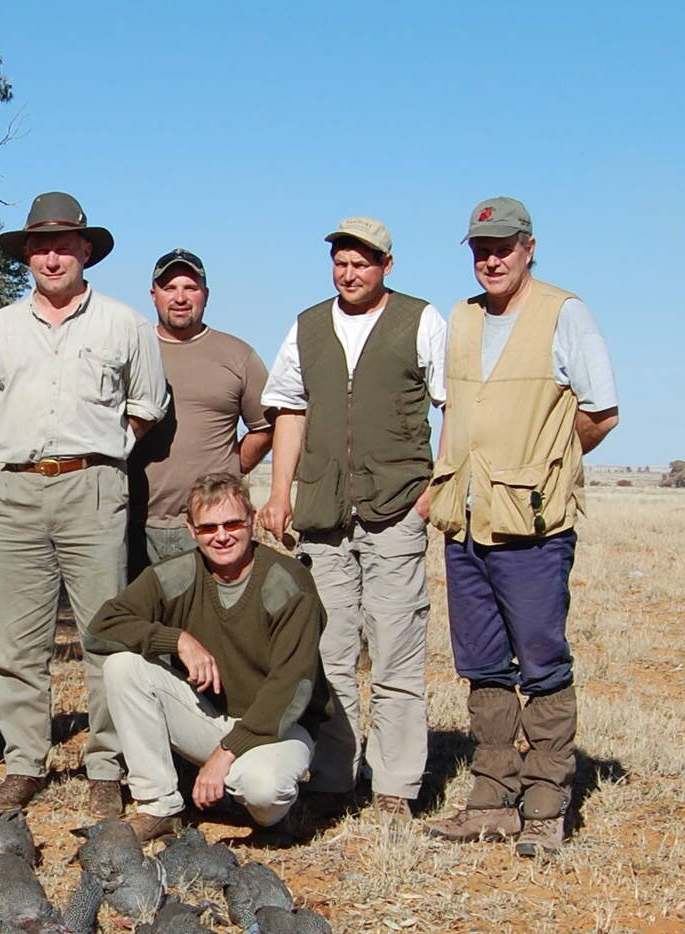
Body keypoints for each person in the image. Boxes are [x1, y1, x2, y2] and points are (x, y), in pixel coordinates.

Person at [425, 196, 618, 855]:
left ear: (529, 247)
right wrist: (441, 479)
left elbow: (600, 412)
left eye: (503, 246)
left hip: (532, 527)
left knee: (540, 663)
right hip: (467, 522)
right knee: (481, 665)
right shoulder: (463, 317)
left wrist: (548, 468)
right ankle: (490, 799)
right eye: (480, 248)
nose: (491, 258)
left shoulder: (566, 313)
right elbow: (451, 408)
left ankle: (544, 802)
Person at [0, 191, 167, 814]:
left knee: (104, 632)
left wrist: (104, 453)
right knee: (11, 638)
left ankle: (106, 766)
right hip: (18, 488)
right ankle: (24, 762)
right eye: (39, 246)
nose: (51, 257)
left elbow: (147, 405)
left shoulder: (125, 324)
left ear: (86, 250)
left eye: (63, 245)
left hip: (95, 487)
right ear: (26, 254)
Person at [257, 216, 447, 821]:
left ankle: (393, 787)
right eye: (341, 261)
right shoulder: (308, 325)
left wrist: (434, 487)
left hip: (396, 508)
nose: (349, 272)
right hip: (322, 513)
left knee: (395, 651)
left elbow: (454, 406)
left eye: (362, 262)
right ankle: (333, 780)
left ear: (386, 266)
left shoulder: (421, 320)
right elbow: (288, 409)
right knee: (330, 654)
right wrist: (279, 492)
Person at [87, 473, 333, 840]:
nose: (222, 536)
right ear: (191, 530)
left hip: (278, 726)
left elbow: (291, 690)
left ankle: (260, 794)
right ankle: (158, 806)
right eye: (208, 527)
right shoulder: (177, 573)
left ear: (251, 519)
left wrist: (225, 754)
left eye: (233, 523)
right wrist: (177, 640)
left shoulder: (289, 583)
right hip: (211, 716)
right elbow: (100, 629)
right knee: (123, 666)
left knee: (263, 791)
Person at [132, 247, 270, 564]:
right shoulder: (130, 351)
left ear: (205, 294)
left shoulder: (238, 355)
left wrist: (231, 467)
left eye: (190, 288)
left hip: (210, 526)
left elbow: (266, 427)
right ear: (154, 295)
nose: (180, 297)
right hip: (134, 523)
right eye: (169, 288)